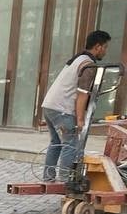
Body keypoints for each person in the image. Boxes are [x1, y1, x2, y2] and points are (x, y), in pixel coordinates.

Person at [42, 29, 111, 181]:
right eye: (105, 47)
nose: (105, 51)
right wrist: (80, 119)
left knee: (56, 142)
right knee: (71, 144)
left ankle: (48, 177)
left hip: (49, 105)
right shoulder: (88, 66)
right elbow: (82, 94)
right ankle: (65, 180)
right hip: (63, 109)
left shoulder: (78, 58)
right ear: (98, 46)